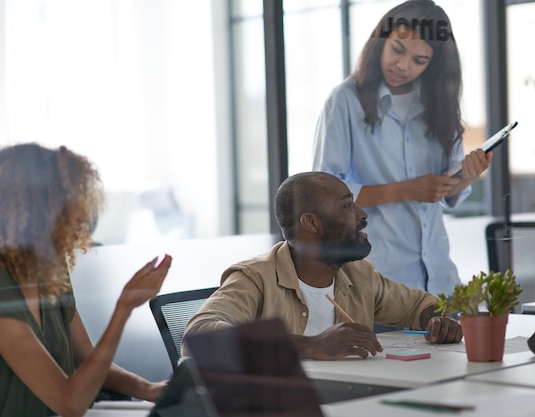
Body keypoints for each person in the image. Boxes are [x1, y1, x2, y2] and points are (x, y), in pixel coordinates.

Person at [312, 0, 491, 296]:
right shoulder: (344, 102)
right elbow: (325, 196)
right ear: (381, 40)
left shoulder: (439, 106)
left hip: (440, 280)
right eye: (397, 49)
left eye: (419, 60)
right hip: (380, 283)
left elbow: (442, 194)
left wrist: (467, 178)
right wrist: (407, 189)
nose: (403, 65)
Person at [182, 171, 462, 361]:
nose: (362, 215)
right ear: (311, 223)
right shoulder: (256, 278)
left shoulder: (358, 274)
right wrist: (311, 346)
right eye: (347, 206)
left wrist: (436, 321)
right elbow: (200, 336)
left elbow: (419, 305)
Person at [0, 143, 172, 417]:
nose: (82, 218)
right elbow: (70, 403)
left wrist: (148, 389)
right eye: (68, 206)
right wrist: (124, 307)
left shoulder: (51, 274)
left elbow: (88, 363)